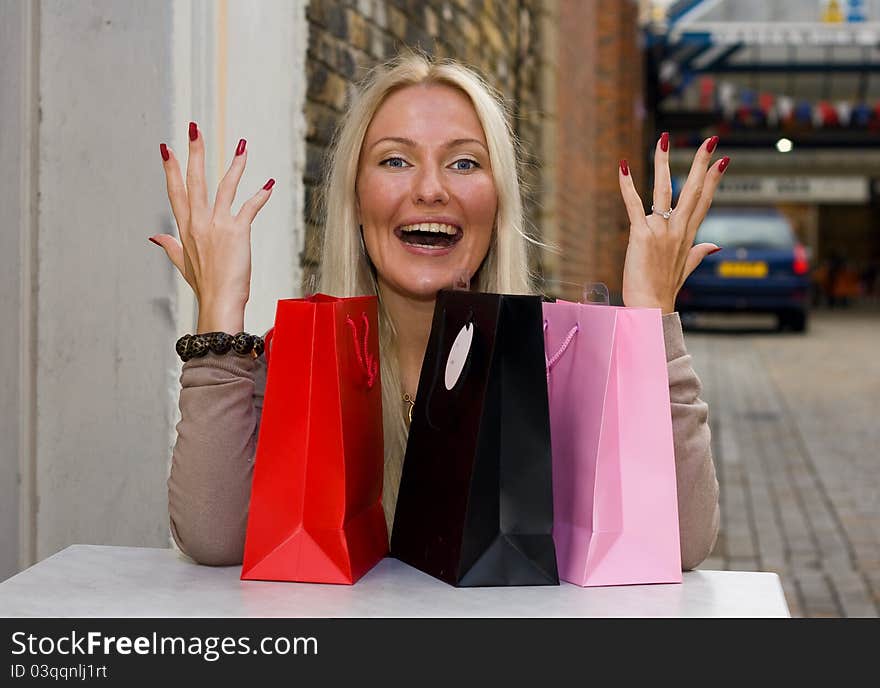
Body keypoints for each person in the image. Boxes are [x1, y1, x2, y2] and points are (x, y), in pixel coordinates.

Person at [152, 52, 724, 571]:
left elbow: (681, 543)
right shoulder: (296, 363)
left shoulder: (562, 360)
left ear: (498, 201)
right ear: (356, 198)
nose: (429, 190)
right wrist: (220, 315)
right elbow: (214, 539)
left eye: (465, 164)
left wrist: (652, 323)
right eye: (396, 161)